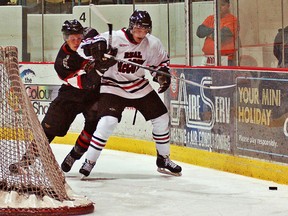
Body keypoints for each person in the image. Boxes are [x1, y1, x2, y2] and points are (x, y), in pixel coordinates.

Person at [78, 10, 182, 177]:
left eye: (145, 30)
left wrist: (161, 76)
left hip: (139, 85)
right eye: (138, 29)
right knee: (107, 123)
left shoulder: (152, 43)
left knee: (162, 118)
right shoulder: (113, 37)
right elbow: (82, 49)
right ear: (131, 27)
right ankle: (89, 161)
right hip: (113, 86)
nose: (141, 33)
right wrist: (94, 50)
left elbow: (160, 64)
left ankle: (163, 158)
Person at [41, 19, 103, 173]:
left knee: (93, 126)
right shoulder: (62, 62)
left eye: (79, 38)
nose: (76, 42)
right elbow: (85, 82)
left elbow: (106, 41)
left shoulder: (90, 35)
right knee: (50, 127)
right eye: (72, 39)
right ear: (65, 38)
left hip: (94, 95)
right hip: (72, 93)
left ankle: (74, 156)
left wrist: (104, 49)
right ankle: (27, 158)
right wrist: (99, 69)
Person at [196, 0, 238, 66]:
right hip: (207, 57)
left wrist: (209, 33)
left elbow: (222, 36)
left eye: (222, 5)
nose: (219, 7)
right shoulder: (210, 18)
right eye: (218, 5)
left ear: (228, 6)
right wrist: (215, 30)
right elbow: (199, 32)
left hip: (225, 58)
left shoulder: (232, 19)